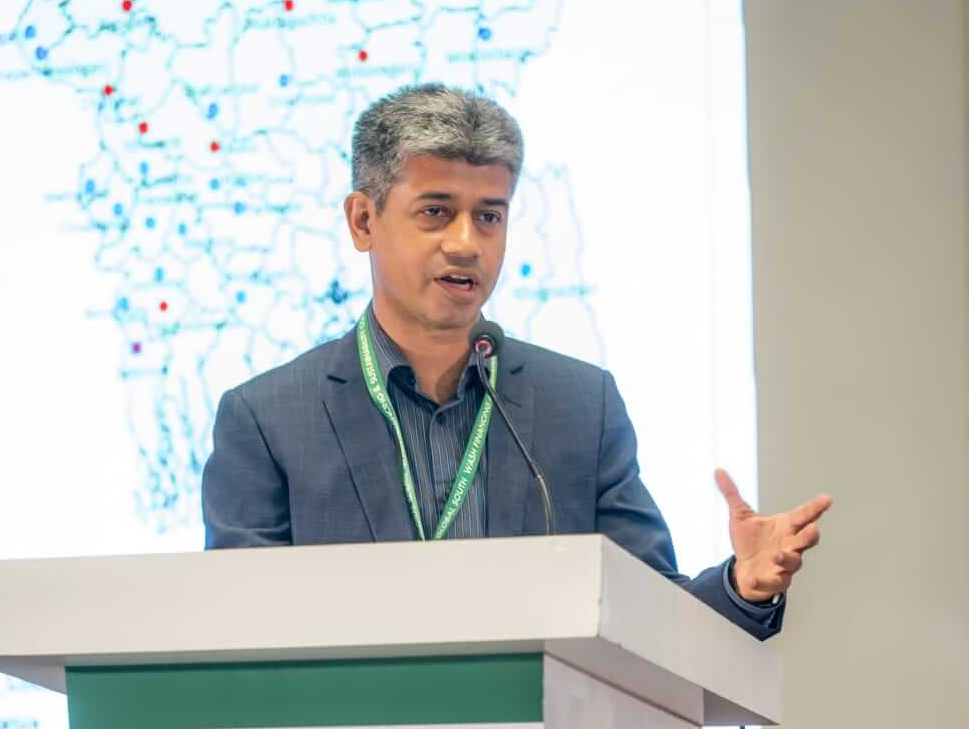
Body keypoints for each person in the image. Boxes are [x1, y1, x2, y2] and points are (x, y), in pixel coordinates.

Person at [201, 84, 830, 638]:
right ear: (363, 220)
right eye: (436, 212)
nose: (465, 243)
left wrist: (742, 585)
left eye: (489, 216)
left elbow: (654, 617)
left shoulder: (578, 406)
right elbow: (237, 630)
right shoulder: (268, 419)